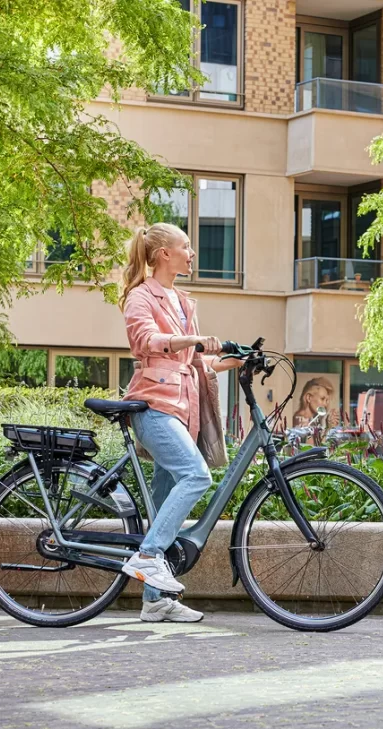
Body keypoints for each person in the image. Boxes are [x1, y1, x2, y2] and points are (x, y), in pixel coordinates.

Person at [119, 222, 239, 623]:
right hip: (152, 408)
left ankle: (154, 601)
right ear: (164, 254)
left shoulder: (183, 300)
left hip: (183, 412)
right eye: (186, 246)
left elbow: (192, 361)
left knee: (159, 511)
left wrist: (230, 363)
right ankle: (148, 556)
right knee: (197, 475)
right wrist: (192, 341)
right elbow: (145, 341)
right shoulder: (141, 295)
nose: (192, 253)